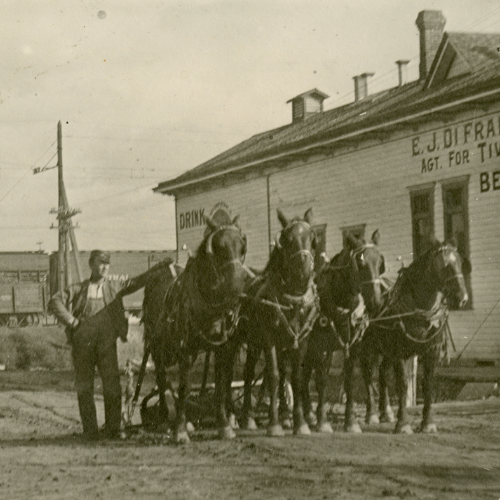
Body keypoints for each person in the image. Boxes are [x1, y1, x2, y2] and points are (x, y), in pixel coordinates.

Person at [50, 250, 172, 441]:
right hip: (83, 345)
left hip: (106, 345)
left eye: (108, 264)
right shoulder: (79, 289)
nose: (105, 267)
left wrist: (158, 267)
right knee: (85, 388)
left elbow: (137, 281)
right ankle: (90, 432)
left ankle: (113, 429)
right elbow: (55, 301)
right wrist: (72, 322)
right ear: (91, 265)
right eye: (101, 263)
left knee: (113, 387)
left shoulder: (115, 286)